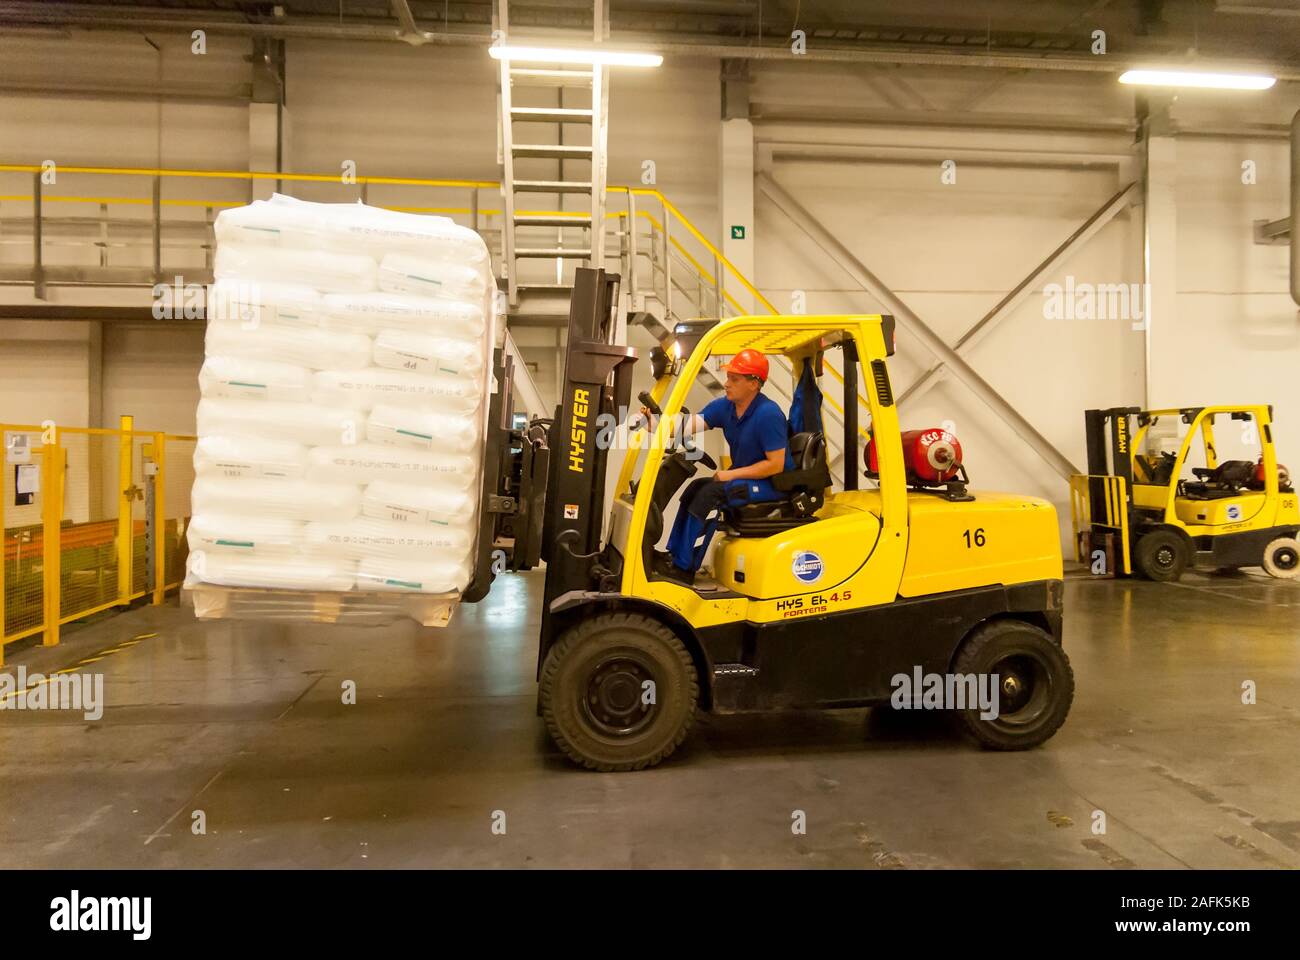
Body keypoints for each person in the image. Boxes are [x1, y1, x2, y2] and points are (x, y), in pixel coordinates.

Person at [641, 348, 793, 582]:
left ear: (754, 384)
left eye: (734, 379)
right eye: (728, 377)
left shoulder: (768, 414)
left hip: (772, 483)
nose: (726, 384)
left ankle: (685, 568)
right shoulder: (726, 407)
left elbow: (775, 465)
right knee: (695, 489)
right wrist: (654, 425)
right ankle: (675, 555)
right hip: (748, 478)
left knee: (710, 494)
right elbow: (688, 425)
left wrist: (730, 475)